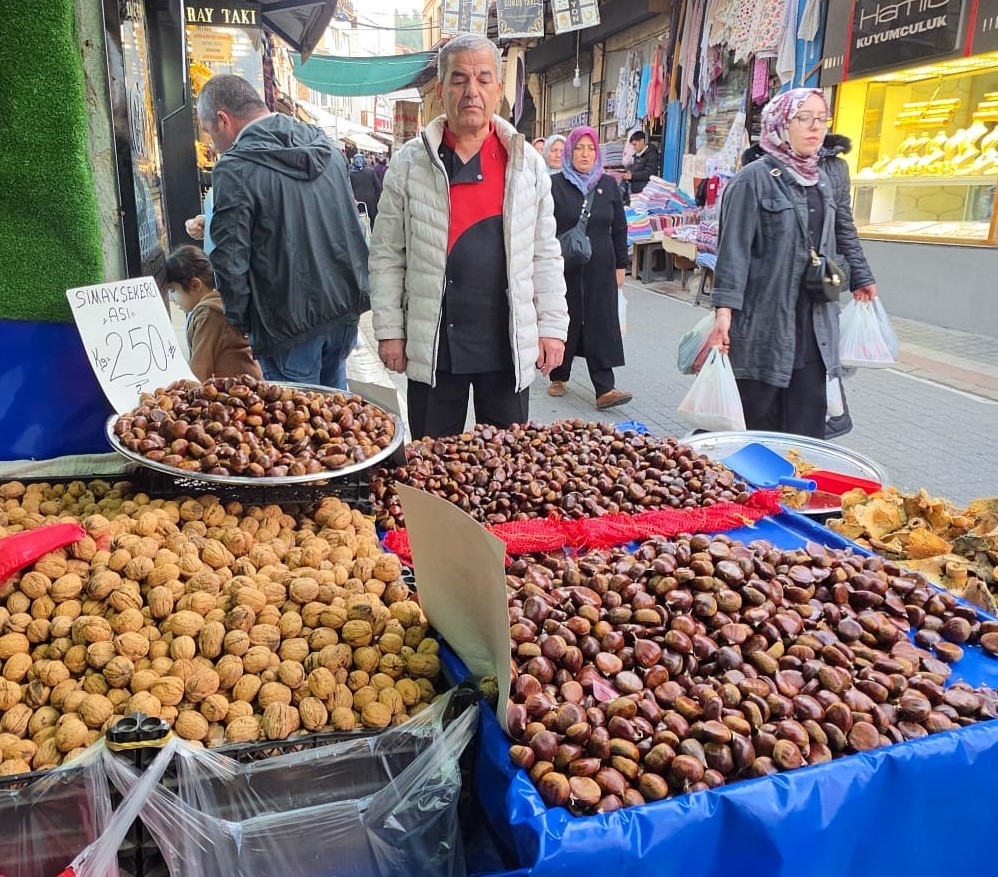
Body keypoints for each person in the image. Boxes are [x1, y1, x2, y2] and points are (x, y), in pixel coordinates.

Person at [369, 32, 569, 440]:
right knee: (431, 460)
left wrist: (552, 327)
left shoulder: (525, 162)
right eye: (459, 79)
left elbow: (545, 253)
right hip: (434, 344)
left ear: (498, 90)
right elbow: (387, 253)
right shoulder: (410, 163)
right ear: (440, 91)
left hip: (505, 343)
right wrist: (390, 330)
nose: (471, 91)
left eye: (482, 79)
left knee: (508, 464)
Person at [705, 88, 877, 438]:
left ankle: (795, 492)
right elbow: (733, 252)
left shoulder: (824, 180)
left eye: (821, 118)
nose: (815, 127)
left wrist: (861, 276)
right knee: (756, 426)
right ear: (781, 123)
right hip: (764, 326)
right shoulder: (751, 179)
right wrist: (724, 313)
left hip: (815, 324)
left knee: (806, 431)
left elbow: (842, 231)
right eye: (804, 118)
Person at [198, 74, 369, 391]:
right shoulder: (327, 149)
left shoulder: (234, 168)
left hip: (286, 324)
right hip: (342, 310)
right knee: (336, 424)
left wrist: (241, 320)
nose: (212, 145)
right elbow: (349, 225)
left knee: (298, 429)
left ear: (223, 120)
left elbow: (229, 258)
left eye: (209, 133)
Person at [548, 126, 631, 410]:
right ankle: (558, 373)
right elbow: (545, 228)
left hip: (600, 268)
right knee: (567, 318)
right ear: (570, 152)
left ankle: (604, 388)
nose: (585, 154)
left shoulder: (608, 184)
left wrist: (622, 265)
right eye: (579, 148)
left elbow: (620, 227)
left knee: (600, 322)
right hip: (565, 266)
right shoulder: (556, 184)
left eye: (590, 148)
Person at [165, 245, 262, 382]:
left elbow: (199, 370)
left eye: (173, 291)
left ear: (195, 285)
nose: (172, 299)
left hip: (237, 393)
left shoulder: (209, 314)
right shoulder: (219, 302)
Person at [622, 130, 661, 195]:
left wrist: (632, 176)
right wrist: (630, 172)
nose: (633, 148)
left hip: (644, 192)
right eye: (632, 145)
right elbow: (637, 169)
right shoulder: (637, 154)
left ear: (642, 141)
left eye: (635, 144)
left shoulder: (651, 154)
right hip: (635, 190)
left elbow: (649, 173)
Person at [349, 153, 383, 227]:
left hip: (357, 202)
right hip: (371, 201)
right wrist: (377, 199)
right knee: (373, 221)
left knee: (360, 222)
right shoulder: (370, 171)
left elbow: (349, 188)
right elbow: (378, 187)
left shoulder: (350, 173)